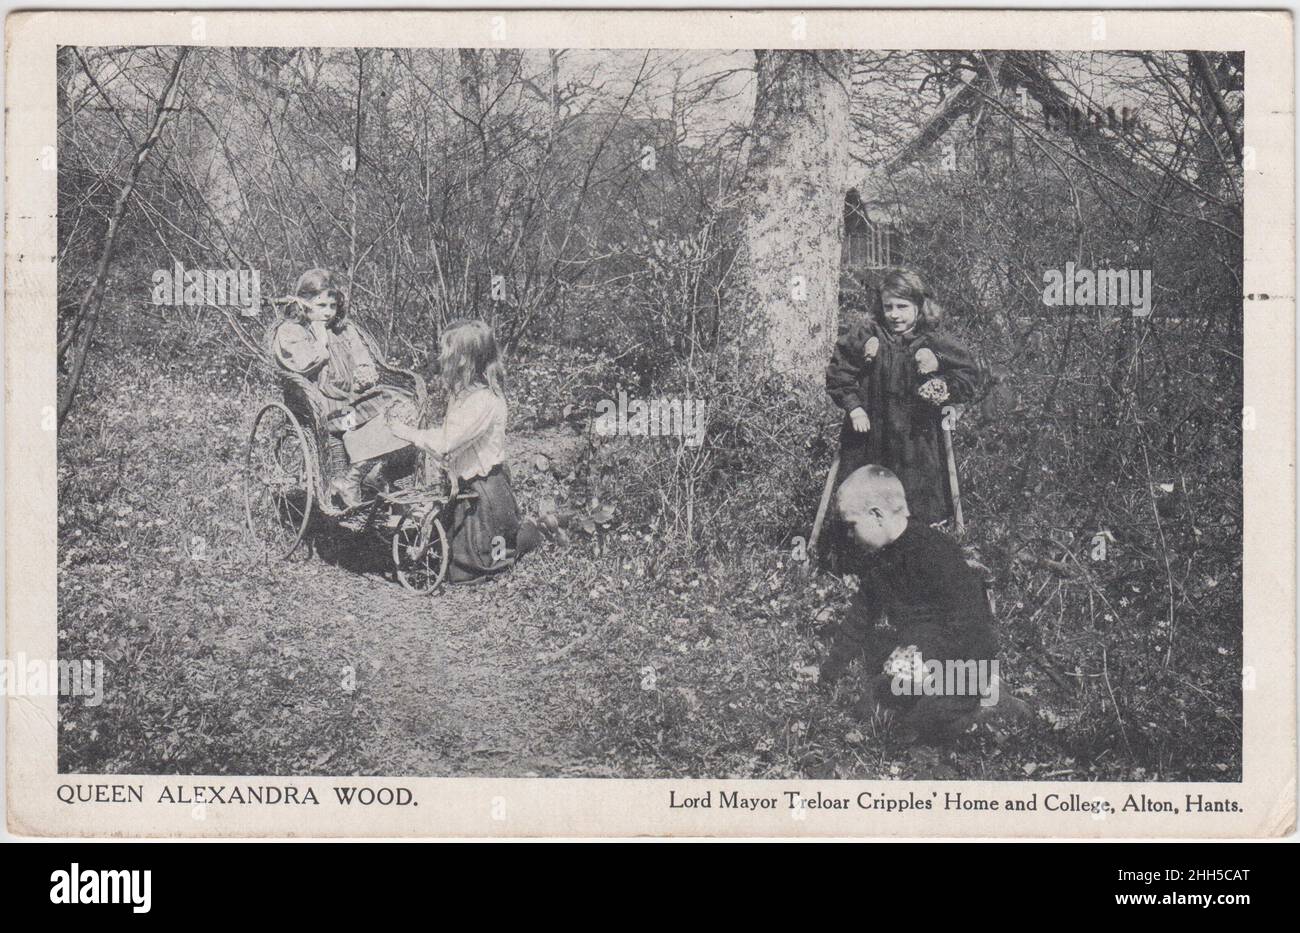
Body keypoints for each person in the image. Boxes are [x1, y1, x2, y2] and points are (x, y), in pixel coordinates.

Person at [821, 465, 999, 743]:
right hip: (918, 665)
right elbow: (859, 619)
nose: (849, 537)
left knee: (925, 722)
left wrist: (930, 660)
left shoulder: (934, 551)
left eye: (851, 526)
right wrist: (828, 673)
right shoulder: (875, 562)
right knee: (868, 709)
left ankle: (991, 705)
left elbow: (971, 622)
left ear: (876, 515)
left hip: (962, 662)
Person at [826, 268, 983, 526]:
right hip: (871, 433)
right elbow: (838, 371)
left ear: (918, 307)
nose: (895, 314)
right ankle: (862, 550)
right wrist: (853, 407)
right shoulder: (868, 335)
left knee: (916, 499)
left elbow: (968, 374)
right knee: (866, 496)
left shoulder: (932, 340)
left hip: (917, 436)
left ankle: (918, 545)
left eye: (902, 306)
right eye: (888, 307)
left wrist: (942, 382)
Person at [387, 319, 540, 584]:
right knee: (449, 560)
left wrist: (406, 432)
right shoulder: (464, 393)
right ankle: (514, 532)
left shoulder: (483, 401)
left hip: (484, 491)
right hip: (467, 487)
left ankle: (534, 532)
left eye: (447, 351)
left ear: (464, 359)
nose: (441, 356)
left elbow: (447, 443)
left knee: (472, 570)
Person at [271, 268, 417, 508]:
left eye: (333, 305)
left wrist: (363, 375)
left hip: (351, 399)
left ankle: (370, 471)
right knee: (347, 422)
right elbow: (303, 364)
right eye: (320, 305)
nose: (328, 313)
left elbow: (363, 363)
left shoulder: (344, 330)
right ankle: (355, 475)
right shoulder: (292, 332)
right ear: (303, 304)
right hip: (320, 402)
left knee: (395, 405)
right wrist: (320, 338)